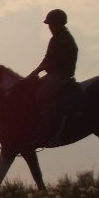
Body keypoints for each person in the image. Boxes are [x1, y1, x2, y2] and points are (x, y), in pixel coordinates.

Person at [26, 8, 78, 138]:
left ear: (59, 24)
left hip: (61, 75)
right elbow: (47, 58)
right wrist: (35, 71)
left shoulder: (65, 39)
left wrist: (47, 66)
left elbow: (62, 60)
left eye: (51, 24)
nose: (49, 27)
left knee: (39, 96)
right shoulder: (54, 39)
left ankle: (45, 125)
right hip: (52, 75)